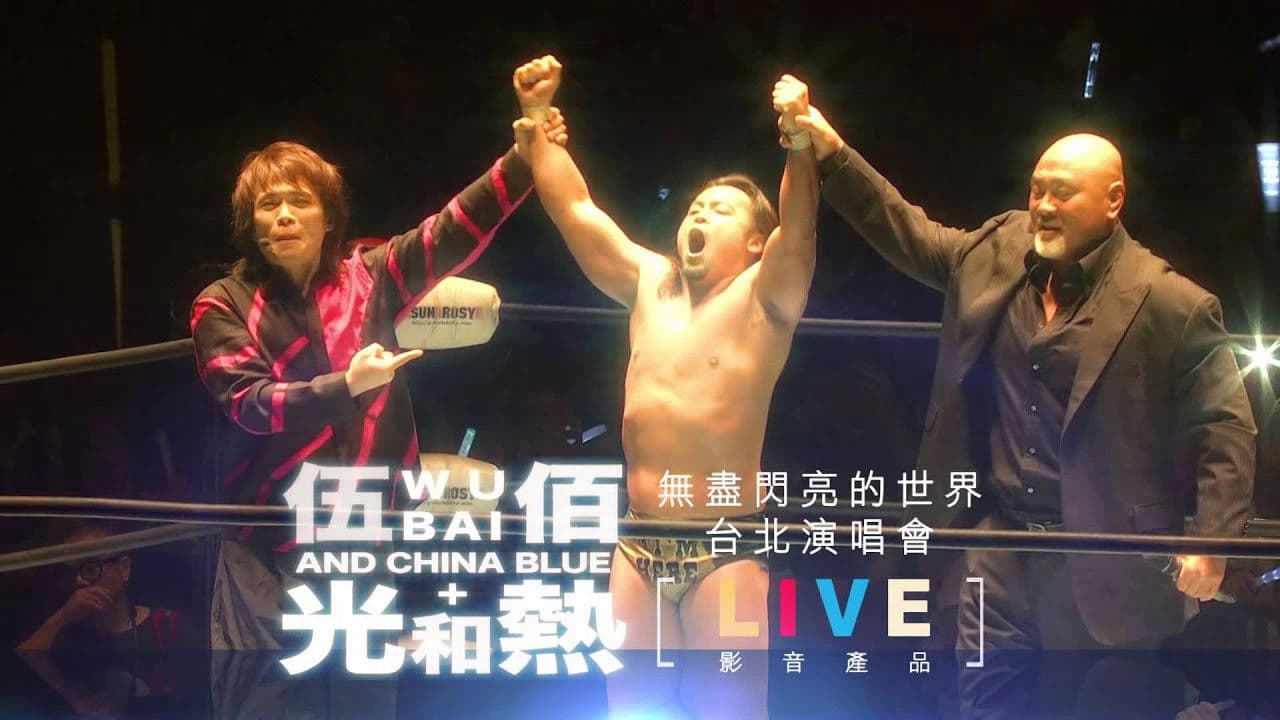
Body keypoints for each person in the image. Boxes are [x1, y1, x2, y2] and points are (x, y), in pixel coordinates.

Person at [785, 86, 1257, 656]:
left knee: (1093, 695)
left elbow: (1225, 425)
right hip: (999, 545)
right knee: (983, 692)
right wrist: (834, 153)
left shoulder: (1170, 303)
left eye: (1063, 192)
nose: (1044, 206)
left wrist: (1212, 540)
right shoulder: (1000, 250)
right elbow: (909, 232)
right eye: (1037, 189)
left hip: (1106, 562)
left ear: (1113, 200)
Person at [190, 108, 567, 650]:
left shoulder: (370, 277)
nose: (284, 216)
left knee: (361, 686)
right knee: (265, 689)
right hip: (267, 543)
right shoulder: (221, 303)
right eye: (268, 205)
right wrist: (348, 384)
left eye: (300, 201)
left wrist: (524, 159)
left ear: (328, 217)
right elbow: (251, 404)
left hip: (365, 536)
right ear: (251, 223)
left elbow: (451, 230)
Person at [512, 55, 819, 717]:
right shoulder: (651, 283)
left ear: (756, 241)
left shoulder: (766, 297)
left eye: (720, 210)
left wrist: (797, 140)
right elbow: (576, 211)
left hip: (725, 543)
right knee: (631, 708)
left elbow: (799, 230)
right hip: (637, 540)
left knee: (729, 710)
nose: (699, 214)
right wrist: (537, 118)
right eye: (695, 207)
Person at [16, 521, 201, 717]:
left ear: (124, 568)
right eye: (72, 571)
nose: (79, 580)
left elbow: (200, 688)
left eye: (90, 568)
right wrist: (62, 617)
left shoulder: (168, 625)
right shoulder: (69, 632)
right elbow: (23, 663)